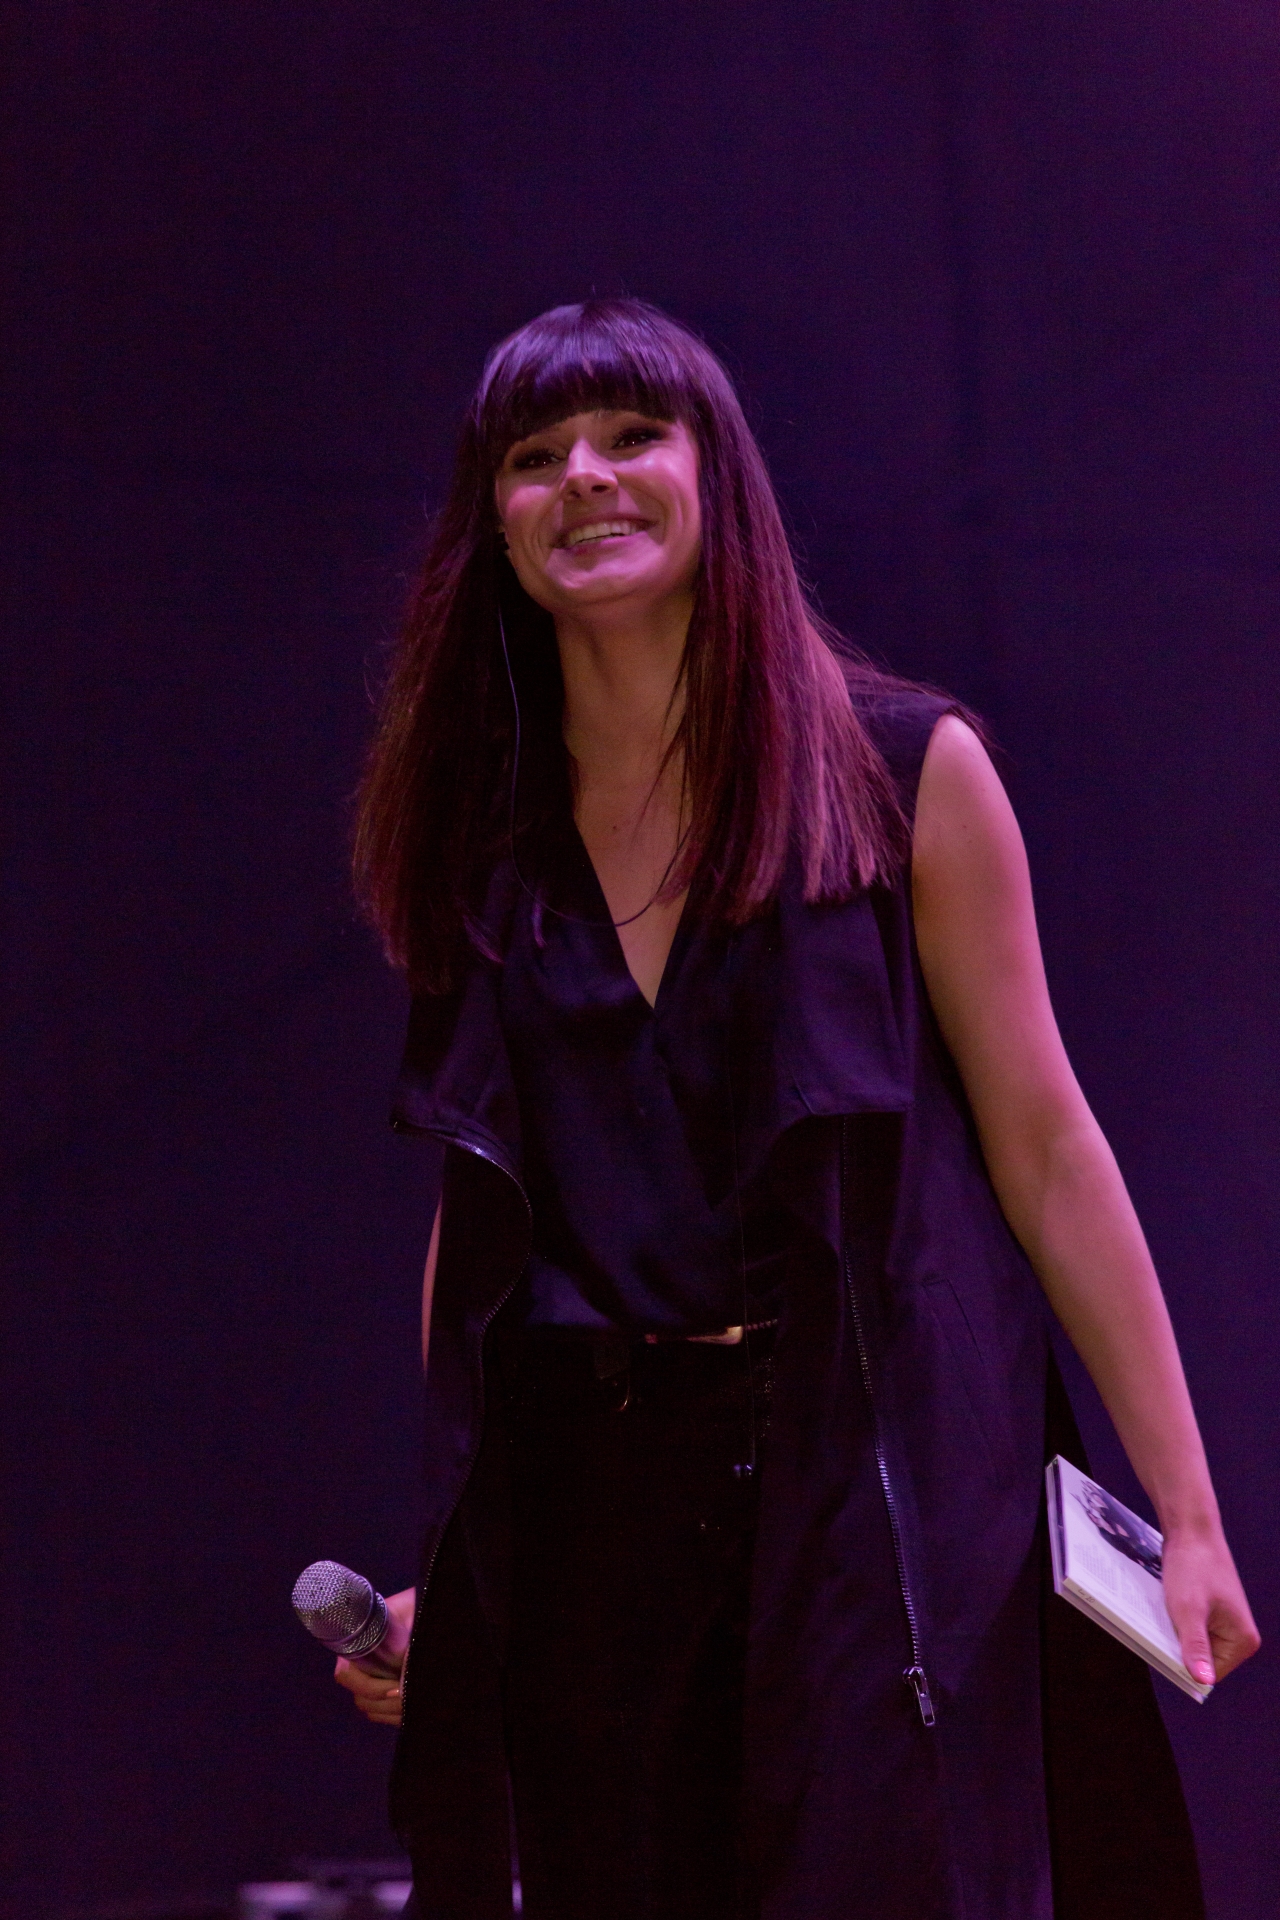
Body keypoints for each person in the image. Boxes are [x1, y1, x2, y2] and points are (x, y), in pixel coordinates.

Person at [336, 298, 1257, 1920]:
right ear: (494, 517)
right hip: (595, 1492)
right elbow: (477, 1220)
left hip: (864, 1462)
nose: (584, 478)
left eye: (633, 436)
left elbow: (1051, 1148)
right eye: (536, 456)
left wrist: (1185, 1516)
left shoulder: (904, 774)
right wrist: (460, 1569)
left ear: (718, 477)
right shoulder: (483, 830)